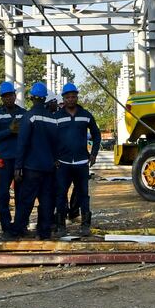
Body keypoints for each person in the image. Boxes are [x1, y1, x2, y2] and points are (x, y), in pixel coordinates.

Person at [52, 82, 101, 237]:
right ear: (63, 98)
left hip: (81, 162)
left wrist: (93, 153)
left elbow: (96, 134)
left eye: (73, 97)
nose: (71, 99)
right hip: (63, 163)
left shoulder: (85, 115)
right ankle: (61, 225)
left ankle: (85, 224)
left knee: (83, 194)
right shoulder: (57, 117)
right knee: (61, 194)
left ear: (77, 97)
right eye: (68, 97)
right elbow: (50, 138)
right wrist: (54, 158)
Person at [12, 81, 58, 239]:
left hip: (32, 168)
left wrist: (18, 167)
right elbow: (56, 144)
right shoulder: (53, 119)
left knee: (26, 201)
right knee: (46, 201)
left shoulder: (29, 117)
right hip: (49, 168)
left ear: (31, 98)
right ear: (45, 99)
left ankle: (18, 230)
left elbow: (22, 143)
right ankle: (44, 232)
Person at [0, 81, 26, 235]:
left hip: (20, 160)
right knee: (3, 194)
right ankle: (6, 226)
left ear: (15, 96)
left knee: (21, 194)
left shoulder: (23, 113)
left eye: (10, 95)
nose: (8, 98)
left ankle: (19, 224)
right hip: (4, 159)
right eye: (5, 96)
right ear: (1, 98)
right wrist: (9, 131)